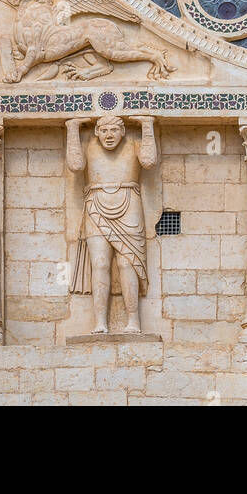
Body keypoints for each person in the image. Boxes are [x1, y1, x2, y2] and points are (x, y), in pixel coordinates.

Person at [67, 114, 157, 334]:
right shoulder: (88, 145)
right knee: (99, 263)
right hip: (96, 204)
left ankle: (134, 321)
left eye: (114, 130)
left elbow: (148, 161)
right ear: (97, 132)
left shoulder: (134, 144)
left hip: (129, 203)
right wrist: (73, 128)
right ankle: (100, 322)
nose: (109, 135)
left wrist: (147, 125)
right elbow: (76, 165)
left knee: (128, 264)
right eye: (104, 130)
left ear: (123, 131)